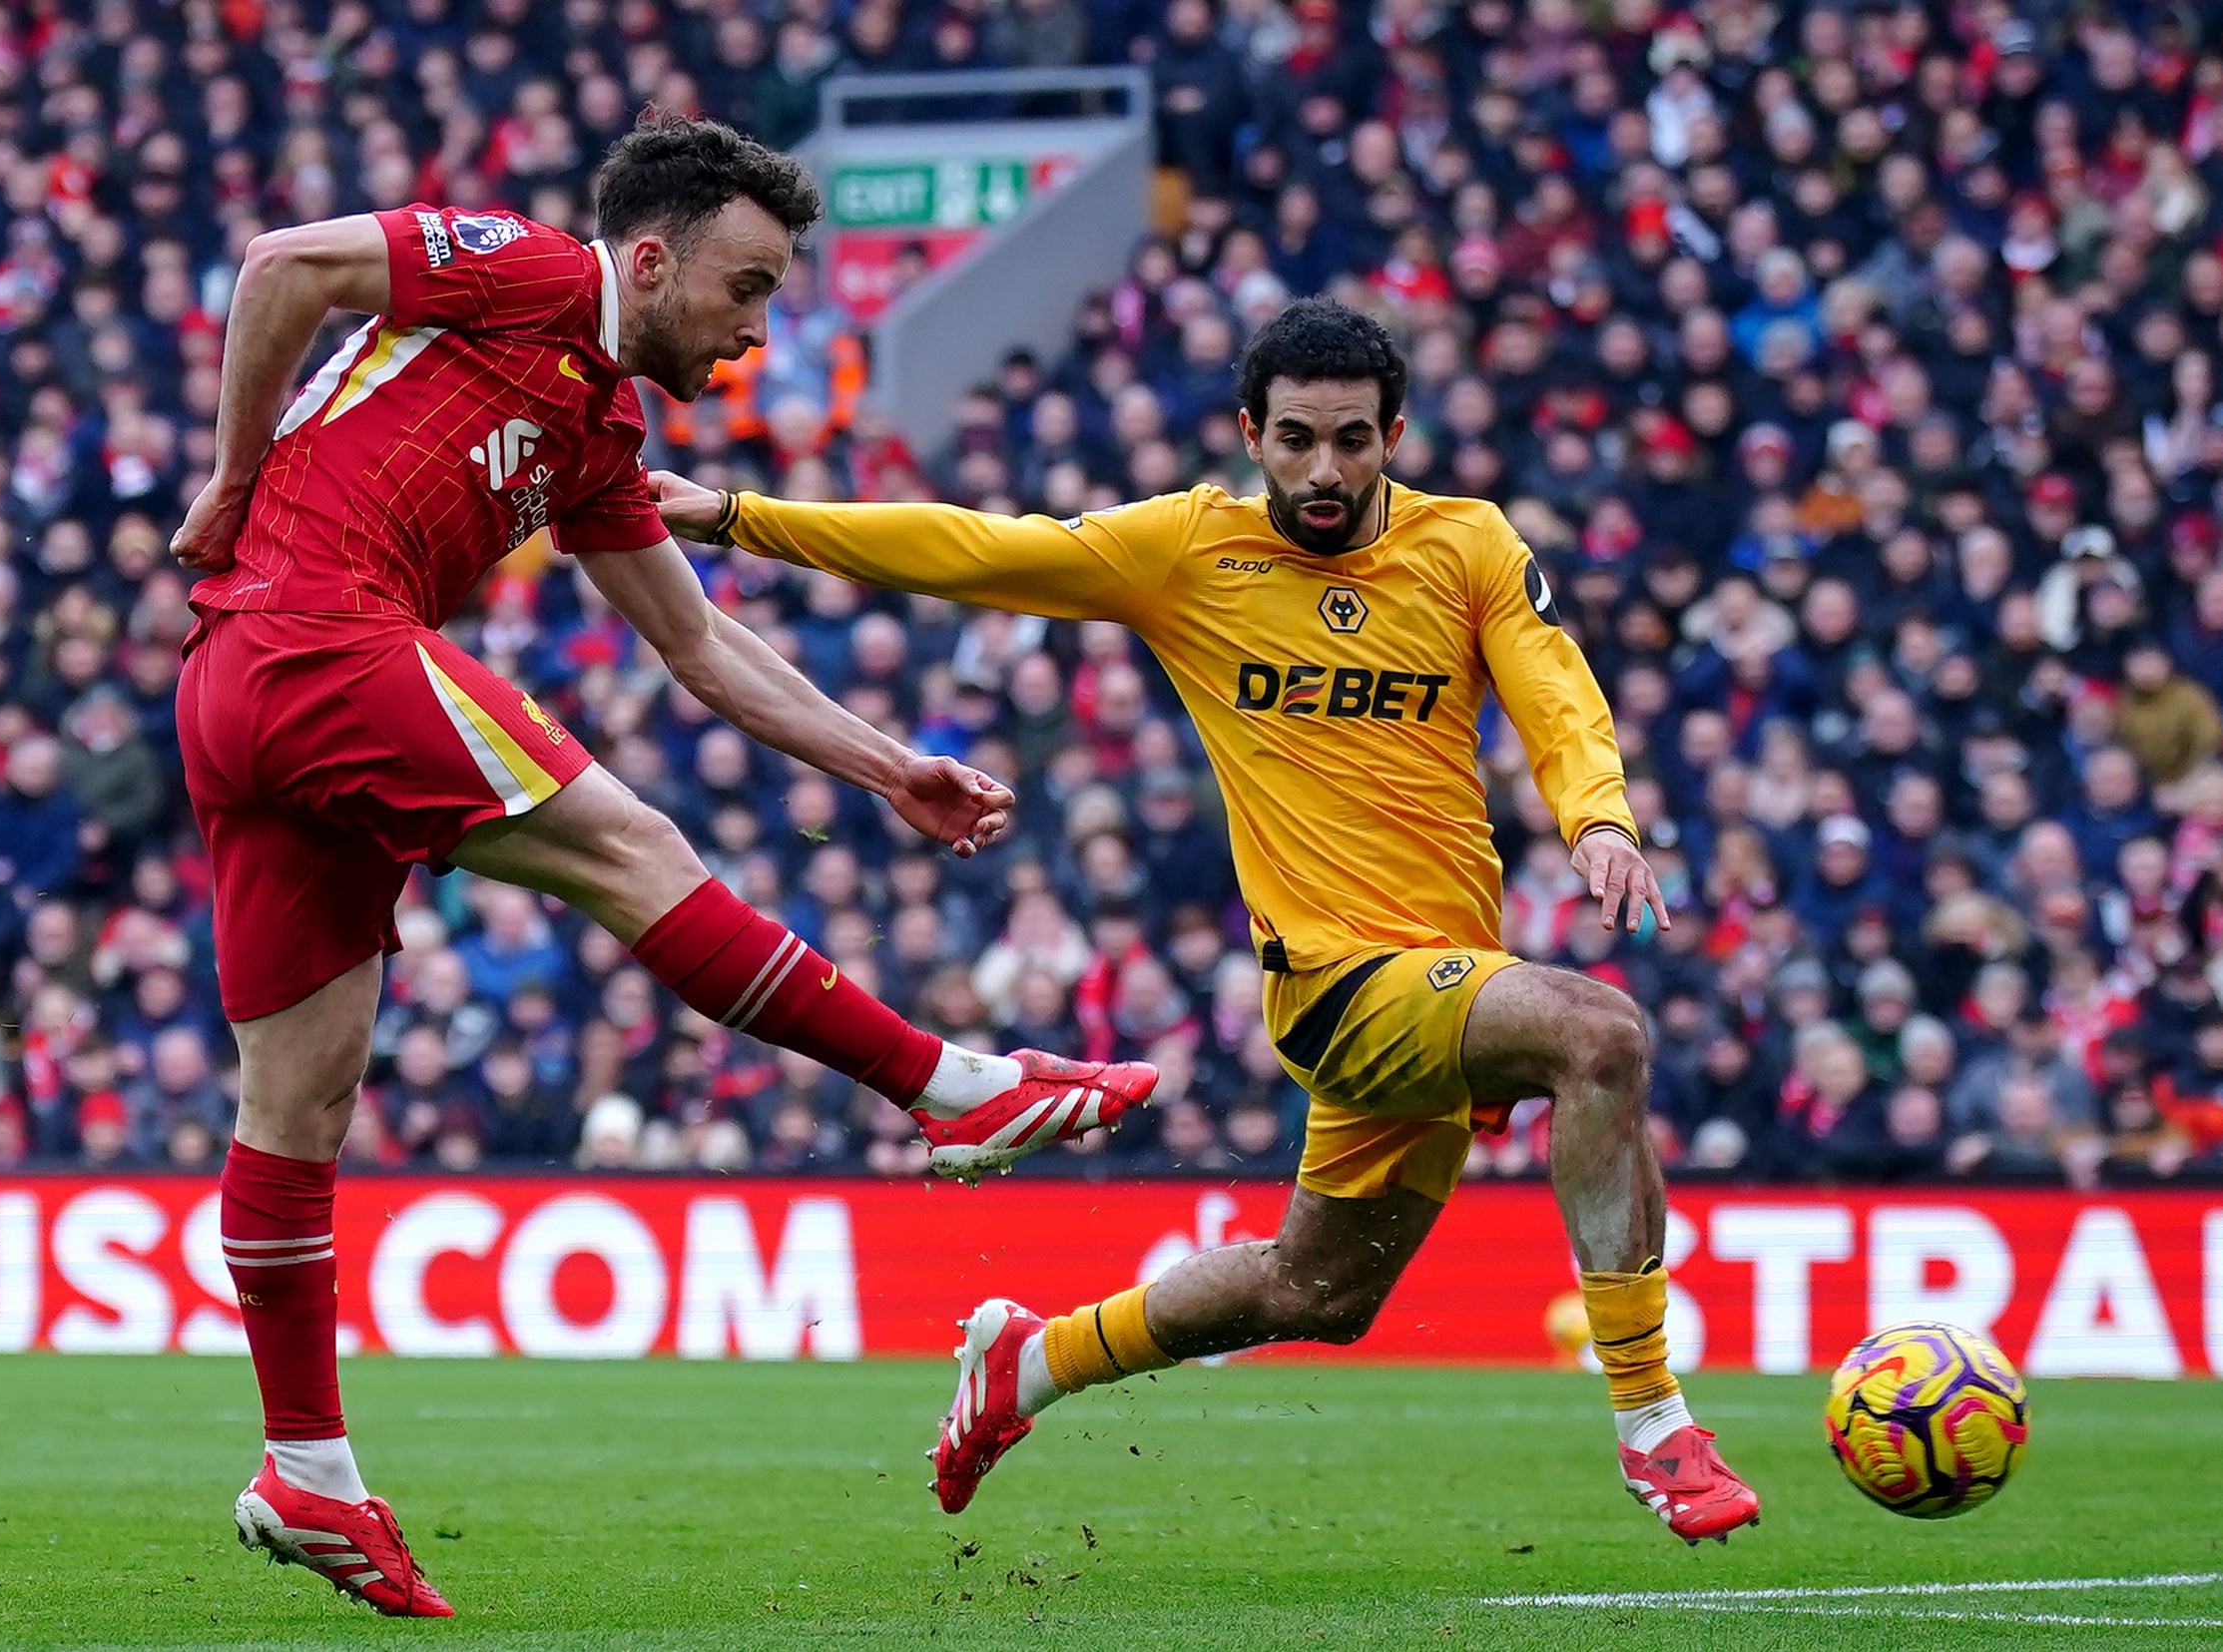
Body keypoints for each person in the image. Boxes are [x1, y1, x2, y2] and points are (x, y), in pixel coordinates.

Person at [168, 113, 1157, 1617]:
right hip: (313, 628)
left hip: (244, 687)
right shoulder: (525, 269)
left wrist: (885, 765)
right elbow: (280, 265)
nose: (757, 332)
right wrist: (235, 476)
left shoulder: (596, 431)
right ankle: (948, 1087)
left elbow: (697, 643)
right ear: (647, 260)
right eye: (744, 288)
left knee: (298, 1098)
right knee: (634, 849)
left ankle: (305, 1464)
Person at [653, 297, 1760, 1545]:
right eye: (1295, 439)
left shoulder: (1469, 545)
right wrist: (737, 515)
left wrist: (1598, 815)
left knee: (1317, 1291)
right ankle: (1652, 1416)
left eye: (1352, 439)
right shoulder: (1188, 550)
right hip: (1334, 982)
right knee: (1598, 1033)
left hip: (1448, 973)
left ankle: (1033, 1359)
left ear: (1394, 435)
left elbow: (1555, 689)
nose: (1323, 468)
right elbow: (972, 547)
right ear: (1249, 432)